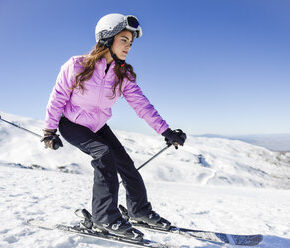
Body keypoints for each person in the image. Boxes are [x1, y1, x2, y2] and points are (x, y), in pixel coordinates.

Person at [41, 13, 187, 241]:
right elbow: (57, 97)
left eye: (131, 42)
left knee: (126, 164)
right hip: (71, 123)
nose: (128, 46)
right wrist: (49, 131)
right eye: (124, 40)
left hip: (98, 126)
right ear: (107, 39)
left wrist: (166, 131)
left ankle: (139, 211)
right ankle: (104, 217)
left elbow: (142, 105)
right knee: (104, 154)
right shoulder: (77, 65)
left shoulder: (123, 74)